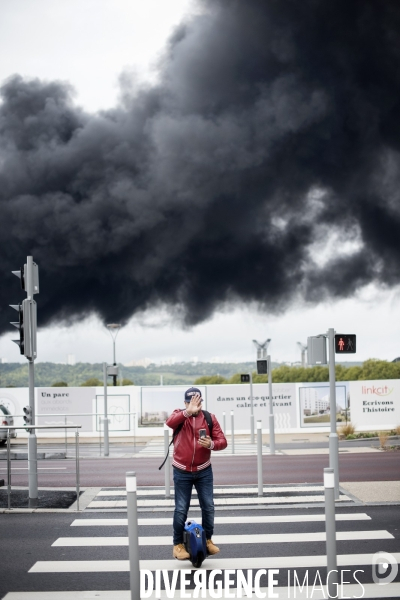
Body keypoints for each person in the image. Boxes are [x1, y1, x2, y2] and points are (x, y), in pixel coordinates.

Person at [166, 386, 227, 560]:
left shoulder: (209, 418)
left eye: (197, 402)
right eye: (189, 402)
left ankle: (207, 540)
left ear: (201, 402)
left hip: (203, 471)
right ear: (185, 403)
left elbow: (222, 441)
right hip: (182, 470)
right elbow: (169, 422)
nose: (194, 406)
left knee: (208, 506)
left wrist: (212, 444)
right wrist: (187, 412)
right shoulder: (179, 415)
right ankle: (177, 545)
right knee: (181, 509)